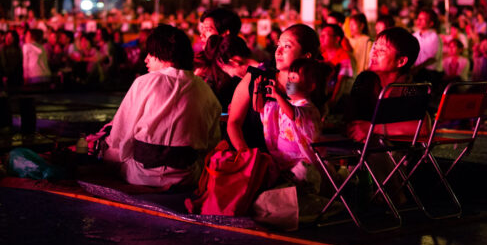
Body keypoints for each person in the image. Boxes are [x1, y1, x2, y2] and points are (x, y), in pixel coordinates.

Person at [102, 25, 222, 188]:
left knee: (107, 152)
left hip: (142, 174)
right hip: (187, 176)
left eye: (150, 54)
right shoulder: (205, 90)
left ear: (162, 54)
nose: (146, 60)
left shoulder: (144, 83)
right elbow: (211, 142)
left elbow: (120, 135)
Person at [227, 24, 322, 152]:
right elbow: (234, 122)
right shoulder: (255, 77)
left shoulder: (307, 89)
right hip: (251, 158)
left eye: (287, 46)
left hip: (293, 165)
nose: (278, 51)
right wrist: (246, 154)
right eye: (278, 45)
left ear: (306, 55)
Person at [346, 27, 428, 142]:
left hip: (398, 154)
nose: (373, 53)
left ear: (401, 62)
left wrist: (373, 128)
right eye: (375, 47)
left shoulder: (408, 87)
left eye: (382, 50)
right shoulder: (365, 81)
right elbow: (353, 122)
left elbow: (423, 127)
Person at [253, 58, 324, 191]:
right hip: (282, 160)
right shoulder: (285, 104)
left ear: (310, 86)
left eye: (294, 77)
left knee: (303, 173)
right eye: (289, 77)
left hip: (301, 162)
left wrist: (278, 96)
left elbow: (293, 114)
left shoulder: (308, 108)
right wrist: (257, 90)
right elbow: (261, 108)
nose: (289, 81)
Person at [320, 23, 354, 111]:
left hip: (340, 101)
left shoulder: (345, 56)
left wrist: (332, 102)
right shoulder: (322, 56)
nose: (321, 38)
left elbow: (341, 82)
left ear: (337, 39)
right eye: (321, 35)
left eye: (325, 35)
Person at [412, 9, 443, 86]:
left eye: (423, 19)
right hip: (416, 71)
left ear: (431, 23)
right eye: (418, 18)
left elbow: (432, 58)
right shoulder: (414, 35)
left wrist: (417, 68)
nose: (419, 21)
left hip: (430, 73)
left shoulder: (434, 37)